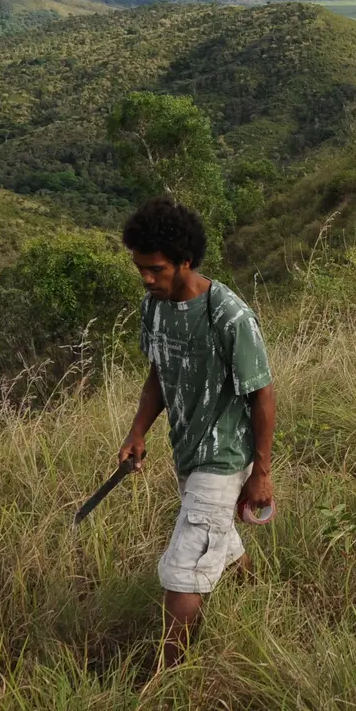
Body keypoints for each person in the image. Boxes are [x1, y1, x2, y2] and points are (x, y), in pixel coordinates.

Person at [116, 197, 276, 668]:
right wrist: (138, 431)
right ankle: (263, 607)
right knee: (219, 544)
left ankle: (167, 680)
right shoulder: (155, 307)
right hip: (186, 452)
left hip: (223, 457)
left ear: (185, 260)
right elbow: (158, 373)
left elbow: (262, 394)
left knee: (182, 573)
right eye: (141, 268)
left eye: (156, 269)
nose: (147, 278)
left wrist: (261, 472)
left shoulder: (229, 316)